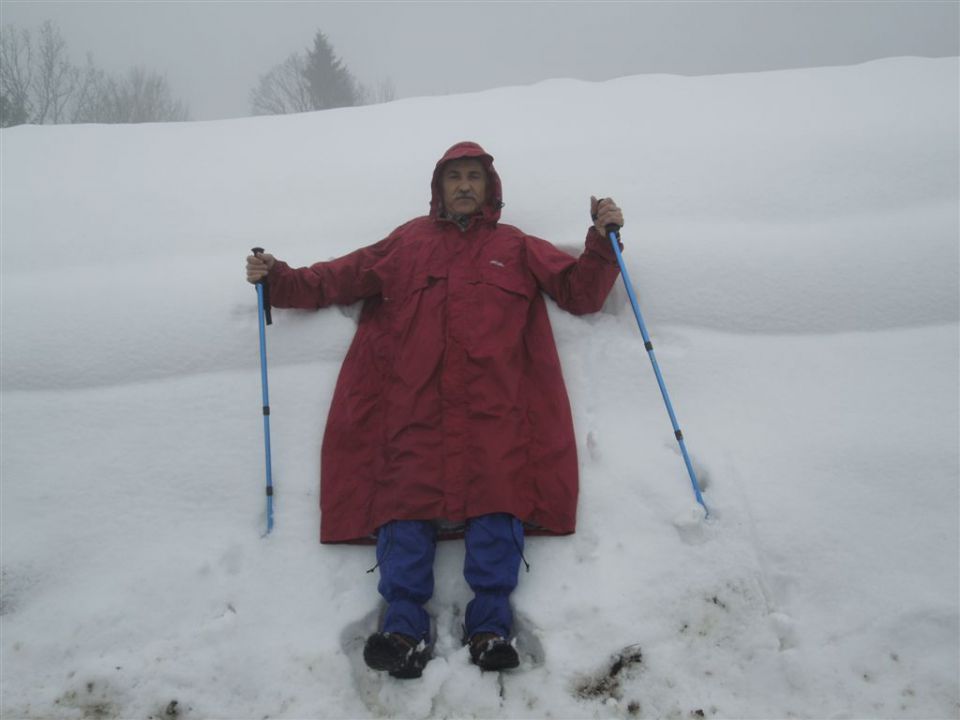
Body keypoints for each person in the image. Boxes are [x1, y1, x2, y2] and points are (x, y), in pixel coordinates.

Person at [245, 141, 624, 678]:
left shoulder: (515, 245)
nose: (465, 186)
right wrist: (278, 279)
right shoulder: (407, 243)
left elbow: (580, 292)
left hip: (497, 408)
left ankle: (490, 628)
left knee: (499, 500)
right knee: (404, 505)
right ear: (439, 188)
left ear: (491, 189)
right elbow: (337, 277)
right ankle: (402, 630)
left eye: (474, 177)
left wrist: (603, 243)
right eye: (455, 178)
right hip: (411, 405)